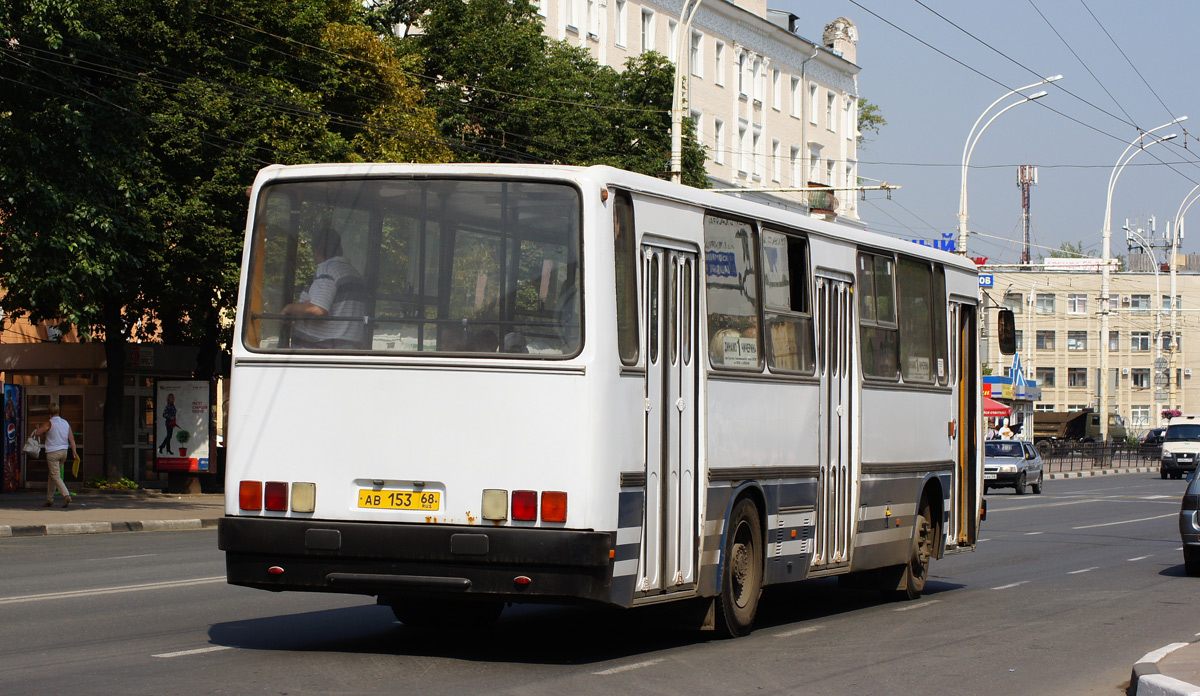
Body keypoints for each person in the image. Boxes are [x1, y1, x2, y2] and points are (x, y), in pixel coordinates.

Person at [282, 229, 366, 349]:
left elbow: (318, 308)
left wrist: (289, 309)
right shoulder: (353, 273)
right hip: (346, 348)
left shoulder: (327, 271)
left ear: (316, 252)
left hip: (320, 351)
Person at [32, 403, 77, 508]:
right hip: (64, 452)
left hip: (53, 452)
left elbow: (38, 433)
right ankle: (49, 499)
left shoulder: (49, 423)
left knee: (55, 475)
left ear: (49, 413)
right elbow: (72, 439)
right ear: (58, 411)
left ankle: (66, 495)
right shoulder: (65, 423)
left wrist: (37, 427)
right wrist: (74, 452)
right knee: (52, 475)